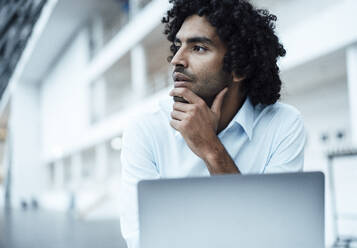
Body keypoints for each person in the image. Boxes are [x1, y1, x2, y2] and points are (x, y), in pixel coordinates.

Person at [120, 0, 306, 247]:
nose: (177, 59)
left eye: (198, 48)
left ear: (239, 66)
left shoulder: (283, 124)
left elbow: (275, 237)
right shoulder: (145, 130)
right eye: (177, 46)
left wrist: (211, 149)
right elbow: (142, 240)